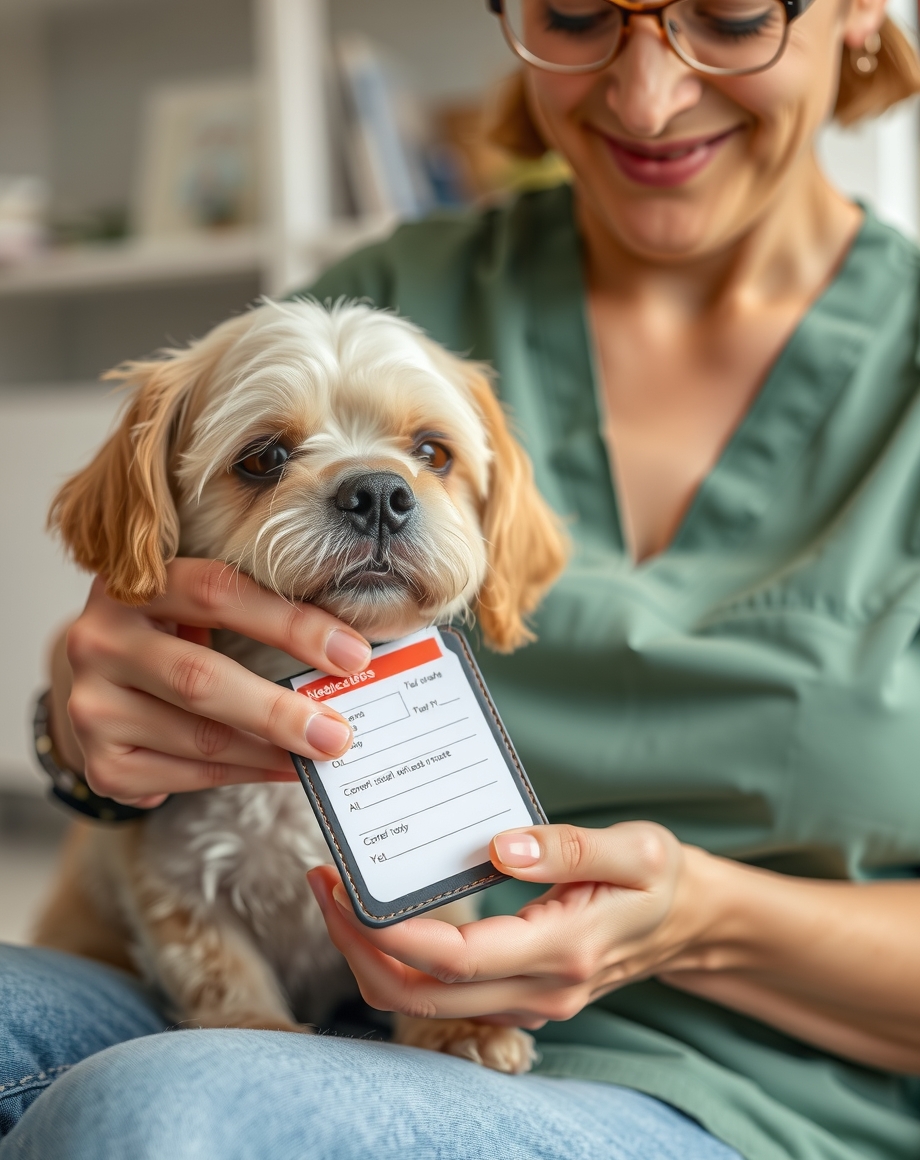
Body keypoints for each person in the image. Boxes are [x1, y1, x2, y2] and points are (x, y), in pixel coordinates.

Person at [3, 0, 920, 1155]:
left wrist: (702, 922)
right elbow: (133, 647)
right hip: (268, 978)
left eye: (731, 17)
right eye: (573, 15)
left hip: (727, 1083)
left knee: (161, 1111)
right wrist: (84, 725)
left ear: (858, 12)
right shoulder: (387, 291)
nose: (646, 96)